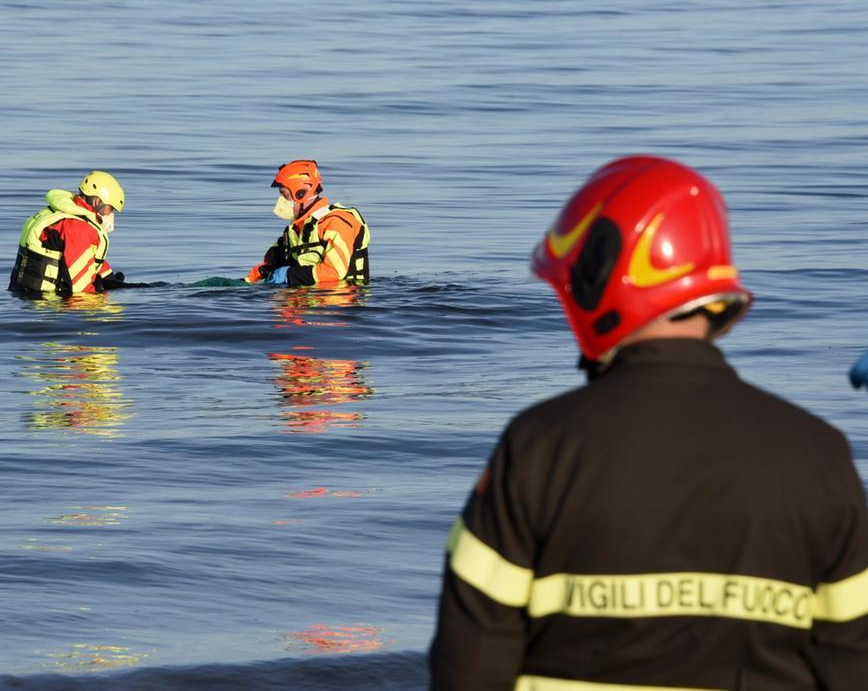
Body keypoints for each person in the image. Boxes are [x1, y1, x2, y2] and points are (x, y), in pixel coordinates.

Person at [430, 155, 868, 690]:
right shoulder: (820, 456)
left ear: (596, 279)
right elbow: (853, 664)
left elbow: (468, 666)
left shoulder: (538, 448)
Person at [244, 159, 370, 287]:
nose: (280, 201)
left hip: (343, 297)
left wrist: (288, 275)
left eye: (284, 195)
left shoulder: (337, 222)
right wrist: (246, 282)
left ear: (300, 193)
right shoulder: (295, 230)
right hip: (308, 297)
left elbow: (334, 272)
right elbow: (268, 266)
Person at [9, 171, 130, 296]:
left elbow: (87, 256)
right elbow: (80, 290)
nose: (110, 214)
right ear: (97, 201)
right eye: (110, 208)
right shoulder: (80, 228)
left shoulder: (56, 212)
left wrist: (110, 279)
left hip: (22, 295)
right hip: (46, 302)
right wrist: (102, 302)